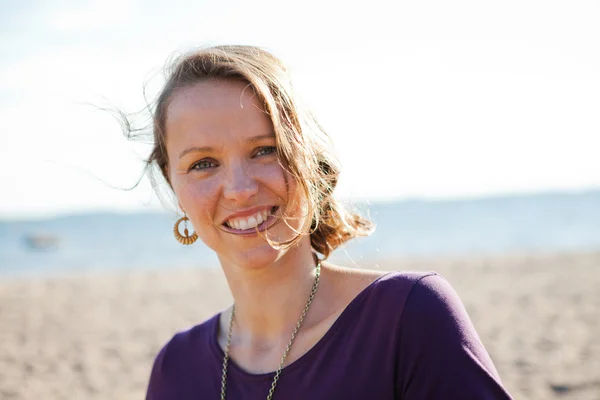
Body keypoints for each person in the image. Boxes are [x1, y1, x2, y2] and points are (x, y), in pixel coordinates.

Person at [143, 45, 513, 399]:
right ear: (173, 184)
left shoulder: (407, 317)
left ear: (309, 160)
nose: (240, 189)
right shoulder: (176, 369)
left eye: (266, 150)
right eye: (203, 164)